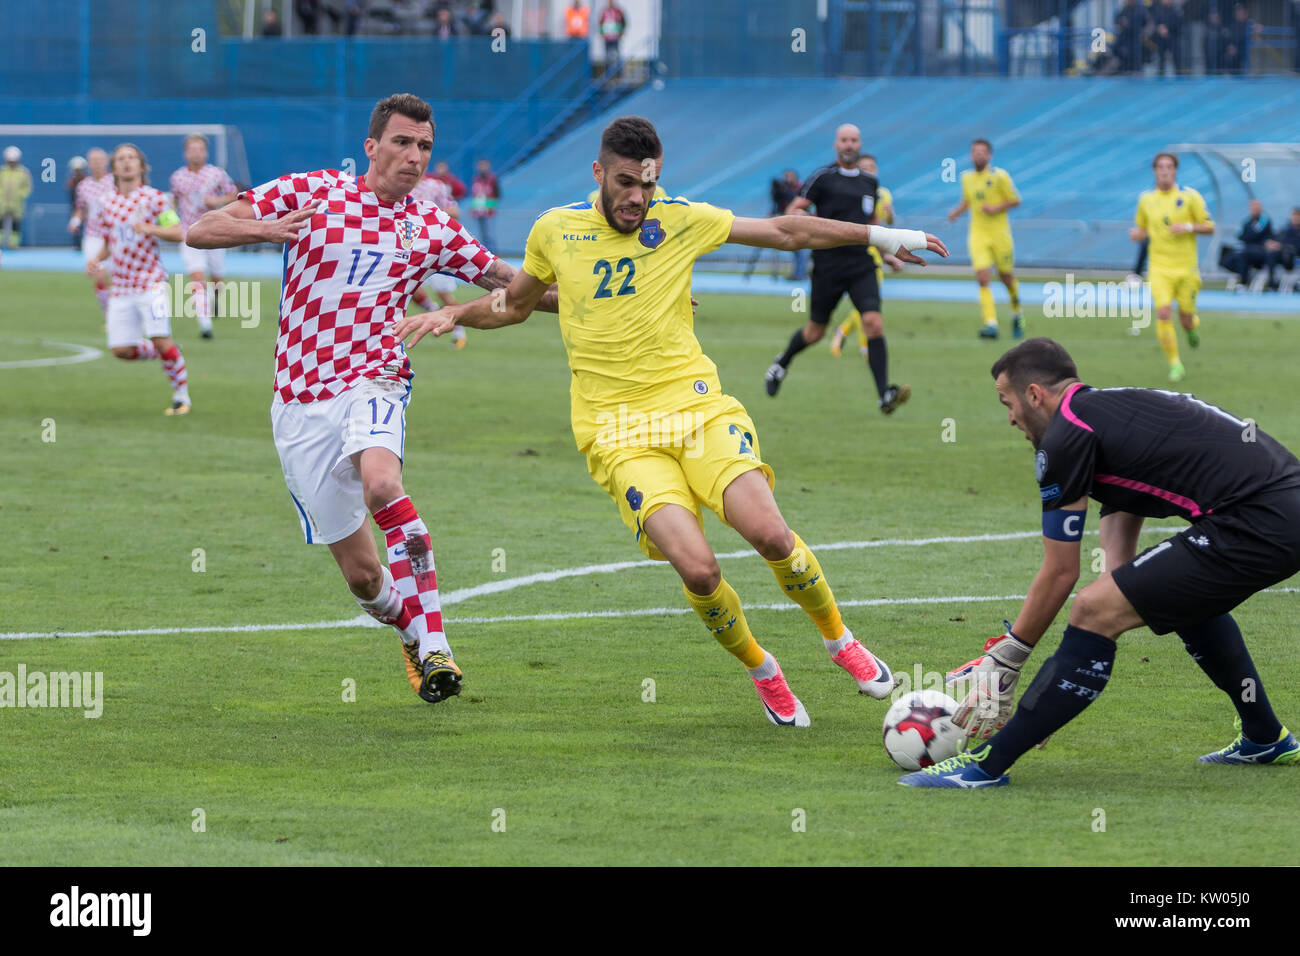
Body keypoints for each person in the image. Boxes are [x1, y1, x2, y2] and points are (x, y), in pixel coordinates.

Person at [395, 116, 948, 727]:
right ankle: (764, 670)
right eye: (627, 182)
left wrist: (881, 235)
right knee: (699, 568)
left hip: (697, 408)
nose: (638, 197)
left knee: (770, 535)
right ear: (599, 174)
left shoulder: (679, 218)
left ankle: (839, 640)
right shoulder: (555, 231)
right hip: (617, 433)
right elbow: (517, 302)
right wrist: (458, 314)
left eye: (649, 183)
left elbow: (787, 230)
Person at [185, 93, 558, 704]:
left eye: (425, 147)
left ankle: (436, 642)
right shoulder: (315, 190)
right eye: (403, 143)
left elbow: (516, 288)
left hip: (376, 377)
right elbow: (202, 229)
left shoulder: (432, 226)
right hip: (300, 399)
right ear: (372, 146)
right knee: (363, 579)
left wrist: (615, 296)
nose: (415, 157)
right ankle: (410, 632)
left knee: (384, 484)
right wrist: (266, 228)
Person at [900, 337, 1300, 787]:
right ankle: (1265, 737)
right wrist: (1119, 591)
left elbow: (1061, 571)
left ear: (1035, 395)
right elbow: (1127, 500)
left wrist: (1008, 659)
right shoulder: (1105, 412)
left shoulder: (1065, 437)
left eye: (1006, 402)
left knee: (1092, 610)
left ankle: (985, 765)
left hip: (1257, 520)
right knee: (1171, 598)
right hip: (1276, 512)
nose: (1009, 417)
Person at [765, 125, 910, 414]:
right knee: (815, 332)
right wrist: (808, 219)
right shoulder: (823, 177)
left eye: (854, 140)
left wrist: (890, 252)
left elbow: (871, 224)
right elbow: (794, 209)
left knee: (873, 323)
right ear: (836, 144)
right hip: (828, 266)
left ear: (860, 144)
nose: (849, 144)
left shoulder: (870, 182)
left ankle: (884, 394)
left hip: (861, 264)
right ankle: (781, 363)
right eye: (844, 139)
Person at [84, 143, 192, 416]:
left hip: (150, 283)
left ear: (142, 166)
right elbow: (112, 237)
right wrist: (97, 258)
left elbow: (178, 232)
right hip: (120, 286)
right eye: (120, 159)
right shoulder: (106, 202)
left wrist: (149, 227)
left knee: (159, 337)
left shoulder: (155, 198)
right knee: (121, 350)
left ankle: (181, 397)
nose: (126, 162)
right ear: (114, 168)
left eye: (132, 158)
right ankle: (169, 352)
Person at [1129, 152, 1213, 382]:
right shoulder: (1146, 199)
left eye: (1169, 167)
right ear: (1155, 171)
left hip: (1186, 269)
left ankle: (1192, 328)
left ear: (1175, 171)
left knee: (1185, 318)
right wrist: (1137, 234)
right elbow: (1143, 229)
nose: (1164, 171)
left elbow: (1209, 226)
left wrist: (1187, 226)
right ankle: (1175, 364)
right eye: (1160, 167)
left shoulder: (1189, 196)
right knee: (1163, 313)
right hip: (1159, 268)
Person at [830, 154, 904, 358]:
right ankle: (864, 345)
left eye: (872, 167)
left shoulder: (883, 193)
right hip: (859, 249)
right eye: (865, 167)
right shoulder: (850, 191)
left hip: (876, 248)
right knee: (867, 303)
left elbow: (887, 221)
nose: (869, 170)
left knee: (867, 302)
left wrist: (888, 214)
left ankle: (847, 334)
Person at [948, 138, 1022, 340]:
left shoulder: (1000, 177)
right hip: (978, 234)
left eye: (982, 152)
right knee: (982, 278)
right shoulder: (966, 178)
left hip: (1000, 234)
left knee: (1006, 278)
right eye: (974, 152)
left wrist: (996, 208)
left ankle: (1017, 314)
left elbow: (1016, 200)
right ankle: (991, 324)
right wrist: (956, 212)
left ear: (989, 155)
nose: (978, 155)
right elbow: (968, 201)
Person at [169, 134, 239, 339]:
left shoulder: (217, 174)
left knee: (217, 279)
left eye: (200, 149)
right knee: (197, 276)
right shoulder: (177, 177)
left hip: (215, 230)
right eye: (192, 149)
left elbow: (234, 195)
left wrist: (216, 201)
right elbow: (174, 200)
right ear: (186, 153)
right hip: (189, 233)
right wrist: (173, 218)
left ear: (206, 152)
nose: (196, 153)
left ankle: (214, 298)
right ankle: (205, 325)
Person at [408, 171, 469, 349]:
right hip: (411, 247)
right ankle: (434, 313)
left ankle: (459, 333)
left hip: (437, 248)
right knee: (409, 290)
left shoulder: (435, 186)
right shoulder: (399, 185)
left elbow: (455, 211)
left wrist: (431, 212)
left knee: (443, 293)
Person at [70, 148, 116, 317]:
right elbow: (80, 209)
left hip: (113, 236)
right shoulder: (83, 186)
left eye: (100, 160)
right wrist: (75, 221)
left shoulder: (114, 181)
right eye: (93, 160)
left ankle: (117, 311)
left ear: (106, 162)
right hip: (93, 236)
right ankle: (108, 312)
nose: (96, 163)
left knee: (116, 277)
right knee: (99, 275)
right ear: (88, 163)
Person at [1229, 198, 1277, 288]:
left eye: (1257, 207)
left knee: (1246, 254)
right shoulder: (1247, 223)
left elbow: (1267, 237)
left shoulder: (1265, 222)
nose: (1255, 209)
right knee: (1237, 255)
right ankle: (1243, 282)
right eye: (1253, 207)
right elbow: (1243, 237)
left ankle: (1271, 284)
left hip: (1261, 252)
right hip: (1249, 251)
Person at [0, 146, 32, 250]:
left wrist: (20, 195)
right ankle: (1, 243)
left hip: (17, 205)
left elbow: (27, 187)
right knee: (1, 225)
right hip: (2, 204)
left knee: (15, 226)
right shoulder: (2, 171)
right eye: (10, 161)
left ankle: (13, 245)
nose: (12, 163)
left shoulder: (23, 172)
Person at [468, 158, 500, 250]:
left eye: (484, 165)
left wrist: (489, 205)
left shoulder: (493, 179)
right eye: (481, 165)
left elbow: (497, 194)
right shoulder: (476, 179)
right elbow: (474, 194)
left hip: (489, 211)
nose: (482, 167)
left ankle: (493, 255)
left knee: (490, 235)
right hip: (478, 211)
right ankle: (484, 256)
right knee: (481, 235)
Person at [1151, 0, 1184, 75]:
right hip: (1161, 37)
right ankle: (1160, 75)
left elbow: (1179, 22)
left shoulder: (1176, 9)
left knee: (1177, 59)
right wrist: (1159, 28)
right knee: (1160, 59)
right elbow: (1155, 20)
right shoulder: (1158, 9)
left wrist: (1168, 29)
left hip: (1173, 37)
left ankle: (1178, 75)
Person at [66, 157, 88, 249]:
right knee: (76, 226)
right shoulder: (71, 182)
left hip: (87, 209)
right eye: (76, 170)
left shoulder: (87, 182)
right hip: (75, 208)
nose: (78, 172)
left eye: (79, 170)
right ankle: (78, 244)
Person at [599, 1, 626, 73]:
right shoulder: (604, 12)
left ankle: (619, 72)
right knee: (607, 57)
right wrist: (602, 34)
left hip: (616, 37)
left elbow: (624, 22)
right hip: (607, 38)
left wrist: (621, 33)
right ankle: (608, 73)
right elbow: (600, 23)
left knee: (617, 55)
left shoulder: (618, 11)